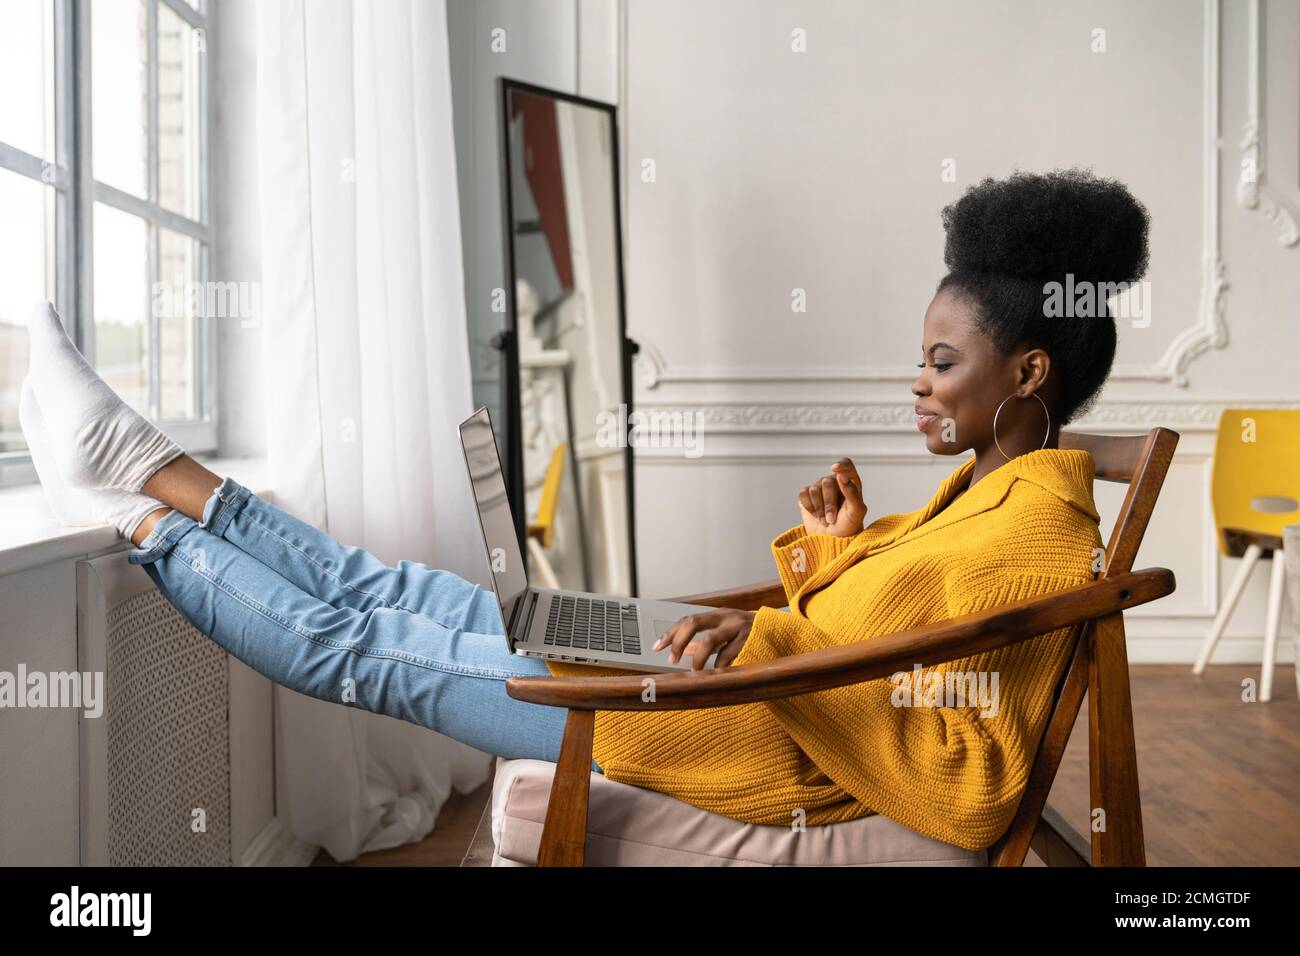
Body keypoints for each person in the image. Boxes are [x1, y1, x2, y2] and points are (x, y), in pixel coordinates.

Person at [19, 167, 1149, 852]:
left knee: (370, 646)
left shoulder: (1036, 537)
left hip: (712, 728)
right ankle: (157, 465)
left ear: (1028, 374)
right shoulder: (990, 490)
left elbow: (970, 785)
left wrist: (772, 632)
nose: (917, 381)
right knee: (406, 591)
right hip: (728, 688)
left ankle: (142, 519)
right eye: (920, 356)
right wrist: (830, 557)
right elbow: (883, 649)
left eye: (941, 360)